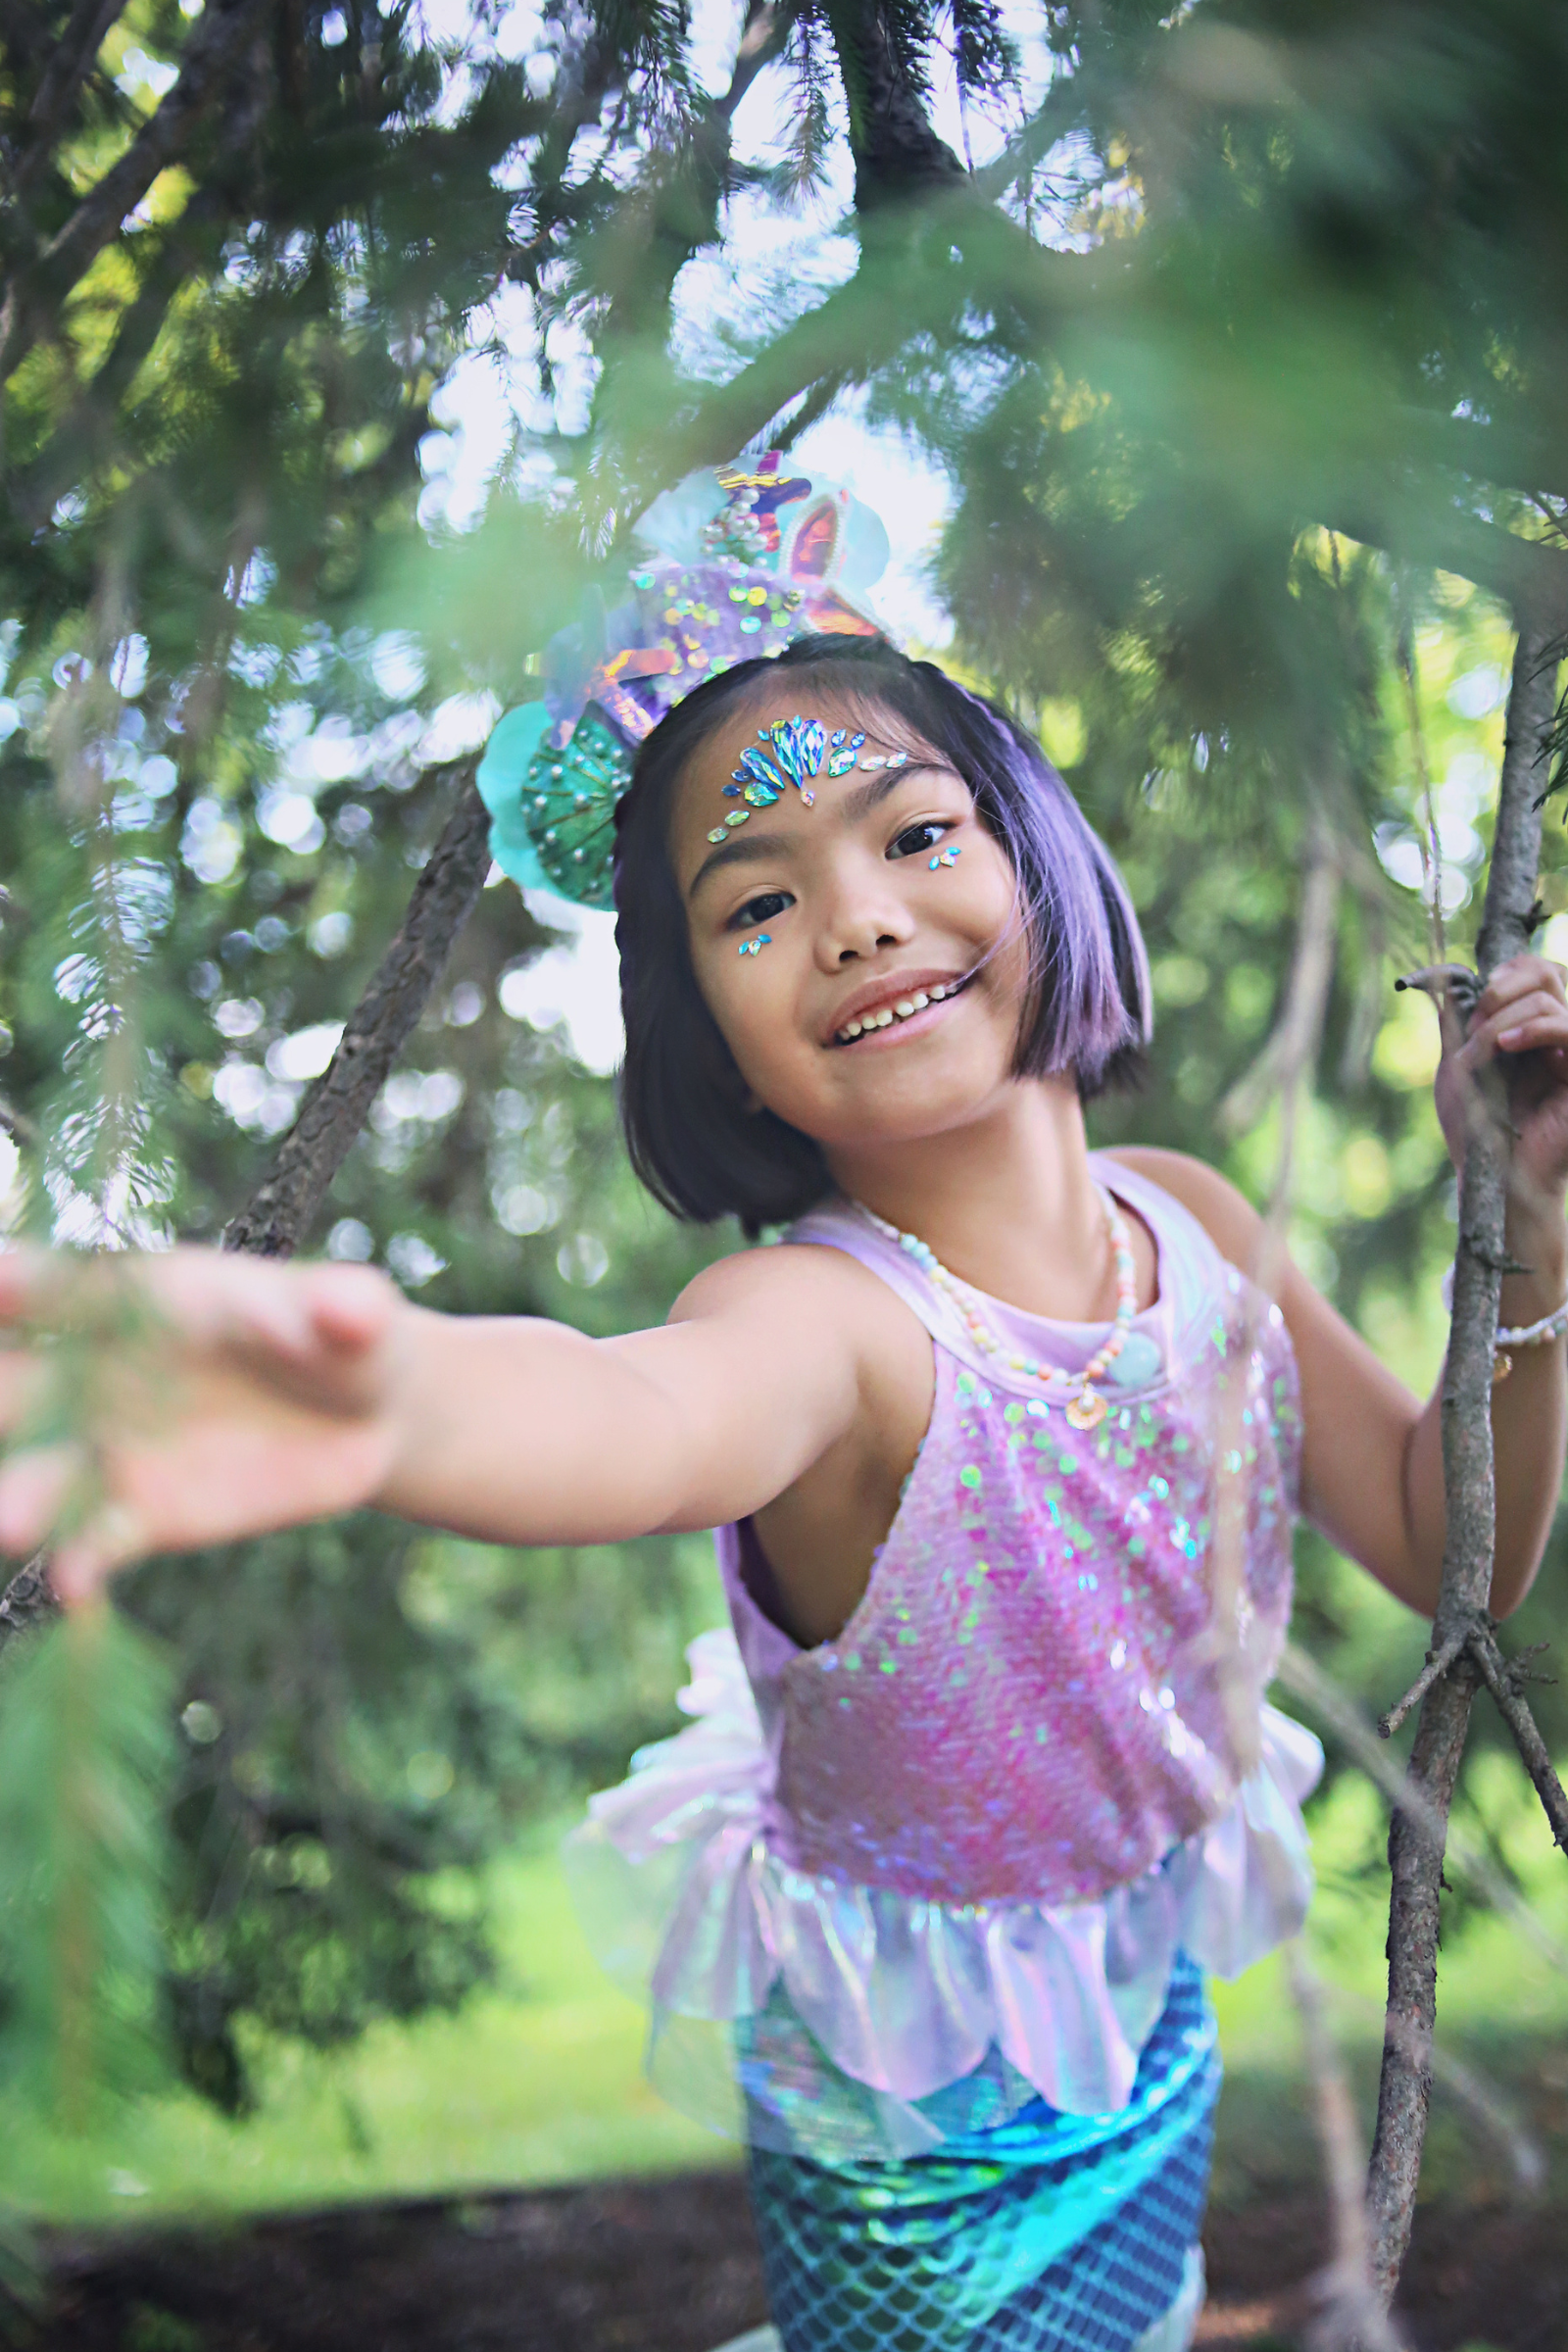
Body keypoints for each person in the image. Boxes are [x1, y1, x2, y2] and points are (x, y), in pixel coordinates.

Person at [2, 470, 1566, 2352]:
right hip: (906, 2105)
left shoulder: (1201, 1224)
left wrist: (1546, 1249)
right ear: (699, 1028)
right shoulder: (826, 1326)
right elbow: (627, 1413)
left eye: (915, 834)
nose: (857, 921)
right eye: (757, 905)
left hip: (1135, 1996)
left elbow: (1429, 1522)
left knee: (1139, 2311)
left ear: (1043, 852)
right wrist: (392, 1396)